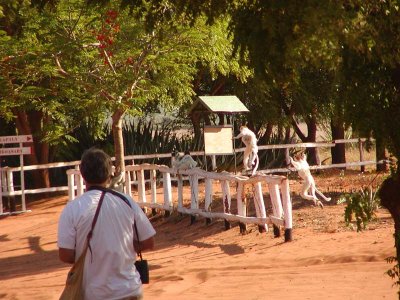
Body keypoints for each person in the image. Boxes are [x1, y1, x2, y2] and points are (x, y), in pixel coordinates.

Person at [58, 148, 156, 300]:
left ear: (83, 175)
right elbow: (148, 242)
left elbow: (65, 255)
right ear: (109, 175)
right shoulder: (127, 202)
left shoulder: (72, 208)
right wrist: (123, 247)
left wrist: (93, 253)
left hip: (93, 293)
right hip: (129, 291)